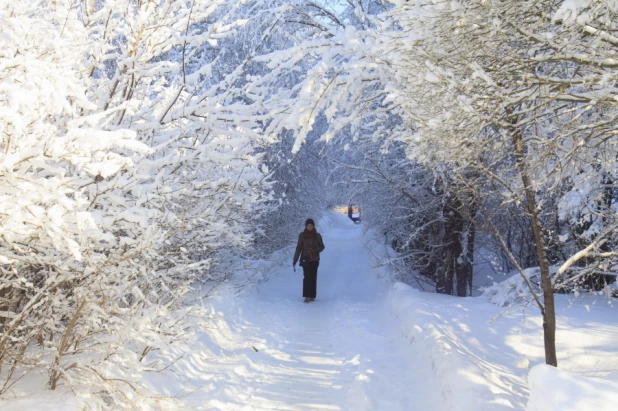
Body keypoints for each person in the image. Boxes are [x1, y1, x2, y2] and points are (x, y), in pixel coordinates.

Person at [292, 219, 325, 303]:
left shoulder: (317, 235)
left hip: (315, 260)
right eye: (308, 226)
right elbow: (298, 248)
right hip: (305, 259)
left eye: (311, 226)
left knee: (313, 277)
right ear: (306, 226)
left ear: (313, 226)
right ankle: (307, 296)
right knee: (306, 277)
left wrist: (316, 250)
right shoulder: (302, 235)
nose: (309, 227)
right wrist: (295, 259)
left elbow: (322, 246)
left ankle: (312, 296)